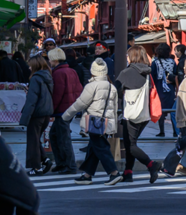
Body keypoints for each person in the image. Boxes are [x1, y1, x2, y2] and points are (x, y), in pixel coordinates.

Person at [61, 58, 122, 185]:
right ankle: (87, 175)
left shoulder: (91, 86)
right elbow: (114, 107)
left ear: (93, 71)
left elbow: (80, 104)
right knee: (93, 148)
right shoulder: (112, 87)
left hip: (94, 121)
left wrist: (66, 116)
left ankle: (114, 173)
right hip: (106, 122)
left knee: (101, 147)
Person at [113, 46, 161, 184]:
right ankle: (128, 172)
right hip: (144, 114)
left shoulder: (126, 73)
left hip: (131, 114)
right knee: (130, 144)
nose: (127, 58)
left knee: (131, 146)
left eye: (128, 56)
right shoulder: (147, 72)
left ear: (132, 57)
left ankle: (151, 165)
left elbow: (116, 90)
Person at [18, 55, 54, 176]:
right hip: (46, 112)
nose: (28, 67)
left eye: (30, 65)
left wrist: (25, 118)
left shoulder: (35, 78)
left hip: (37, 113)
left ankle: (36, 167)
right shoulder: (47, 76)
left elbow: (32, 101)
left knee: (32, 140)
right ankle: (45, 160)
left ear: (35, 65)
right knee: (36, 138)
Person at [47, 49, 81, 174]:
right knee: (56, 135)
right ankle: (62, 163)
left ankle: (69, 165)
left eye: (50, 59)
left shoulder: (58, 73)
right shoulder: (71, 71)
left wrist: (51, 110)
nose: (49, 61)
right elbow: (79, 89)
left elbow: (57, 94)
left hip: (61, 110)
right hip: (70, 108)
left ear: (55, 59)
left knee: (62, 137)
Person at [150, 43, 178, 137]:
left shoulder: (155, 62)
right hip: (170, 88)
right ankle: (175, 131)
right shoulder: (172, 62)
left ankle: (162, 131)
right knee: (172, 111)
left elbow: (152, 76)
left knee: (161, 110)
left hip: (159, 88)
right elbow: (175, 74)